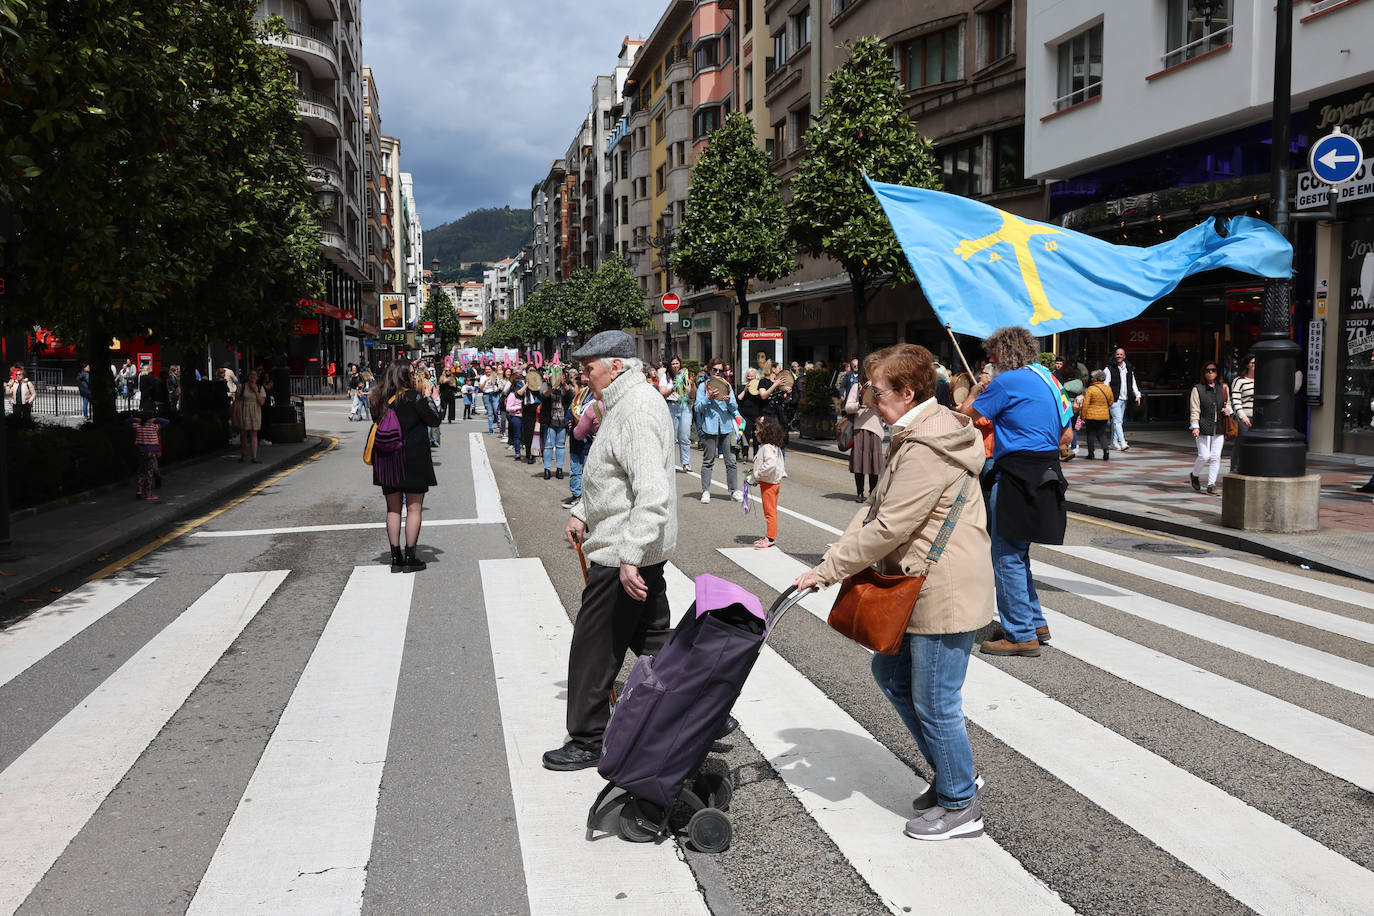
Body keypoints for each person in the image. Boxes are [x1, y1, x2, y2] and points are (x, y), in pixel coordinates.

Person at [791, 343, 993, 841]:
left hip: (941, 585)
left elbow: (889, 527)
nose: (867, 400)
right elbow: (877, 507)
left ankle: (961, 803)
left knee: (935, 698)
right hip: (924, 578)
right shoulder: (916, 432)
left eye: (876, 392)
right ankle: (954, 775)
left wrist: (829, 569)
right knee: (892, 673)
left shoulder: (926, 447)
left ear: (907, 393)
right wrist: (839, 548)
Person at [545, 331, 677, 771]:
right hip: (635, 545)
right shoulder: (622, 403)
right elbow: (612, 474)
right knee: (654, 639)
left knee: (593, 648)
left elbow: (651, 491)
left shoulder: (636, 409)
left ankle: (587, 738)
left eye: (590, 368)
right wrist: (584, 509)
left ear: (616, 365)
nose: (585, 375)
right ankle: (693, 708)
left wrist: (629, 554)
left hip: (624, 549)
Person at [967, 326, 1069, 658]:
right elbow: (1068, 434)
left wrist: (975, 389)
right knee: (1018, 553)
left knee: (1006, 556)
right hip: (1048, 470)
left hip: (1016, 474)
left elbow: (966, 417)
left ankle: (1020, 634)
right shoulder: (1050, 379)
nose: (989, 362)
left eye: (992, 356)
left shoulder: (1005, 382)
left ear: (1003, 355)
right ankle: (1034, 622)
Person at [369, 357, 442, 573]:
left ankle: (395, 557)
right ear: (404, 376)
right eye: (412, 372)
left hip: (387, 458)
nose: (415, 375)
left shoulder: (378, 398)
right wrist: (428, 397)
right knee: (413, 508)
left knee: (392, 509)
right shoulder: (415, 398)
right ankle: (410, 557)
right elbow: (435, 421)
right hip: (413, 458)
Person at [694, 358, 741, 504]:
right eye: (715, 370)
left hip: (726, 426)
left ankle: (733, 490)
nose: (718, 373)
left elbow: (734, 407)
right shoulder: (703, 386)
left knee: (731, 461)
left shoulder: (727, 385)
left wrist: (729, 401)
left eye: (721, 370)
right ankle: (706, 491)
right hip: (710, 427)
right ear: (710, 370)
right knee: (708, 461)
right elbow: (697, 408)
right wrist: (708, 398)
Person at [1189, 361, 1231, 495]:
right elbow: (1194, 409)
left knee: (1215, 457)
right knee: (1204, 455)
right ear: (1204, 373)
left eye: (1213, 370)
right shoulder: (1198, 389)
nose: (1211, 372)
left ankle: (1211, 484)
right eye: (1208, 370)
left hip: (1219, 426)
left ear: (1217, 372)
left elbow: (1228, 403)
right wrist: (1195, 426)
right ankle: (1194, 474)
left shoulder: (1223, 387)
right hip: (1203, 426)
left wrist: (1228, 409)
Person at [844, 370, 884, 502]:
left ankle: (872, 494)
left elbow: (888, 406)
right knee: (859, 464)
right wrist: (858, 405)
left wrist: (877, 404)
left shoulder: (882, 387)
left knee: (874, 466)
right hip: (860, 429)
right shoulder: (857, 386)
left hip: (876, 430)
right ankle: (859, 493)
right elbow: (848, 407)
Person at [565, 369, 602, 509]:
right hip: (575, 440)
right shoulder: (579, 398)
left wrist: (581, 424)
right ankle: (576, 494)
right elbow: (570, 412)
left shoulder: (597, 398)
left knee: (587, 471)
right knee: (575, 469)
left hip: (588, 441)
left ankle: (586, 499)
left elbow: (596, 420)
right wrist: (569, 422)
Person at [751, 416, 787, 549]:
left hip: (768, 484)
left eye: (757, 430)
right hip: (773, 482)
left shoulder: (766, 448)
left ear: (764, 433)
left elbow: (770, 464)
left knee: (769, 511)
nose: (755, 432)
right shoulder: (774, 446)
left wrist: (758, 473)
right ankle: (770, 536)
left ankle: (770, 537)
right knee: (771, 510)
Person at [126, 409, 171, 500]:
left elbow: (127, 422)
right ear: (151, 418)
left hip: (141, 452)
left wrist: (136, 419)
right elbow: (167, 421)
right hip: (151, 452)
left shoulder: (137, 426)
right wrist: (155, 419)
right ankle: (148, 493)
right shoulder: (154, 426)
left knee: (140, 471)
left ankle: (139, 490)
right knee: (149, 473)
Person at [1103, 346, 1142, 451]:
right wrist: (1107, 398)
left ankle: (1113, 443)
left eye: (1121, 354)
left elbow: (1133, 383)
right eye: (1117, 354)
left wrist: (1137, 395)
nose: (1119, 356)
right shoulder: (1109, 369)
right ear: (1115, 356)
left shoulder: (1129, 369)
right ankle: (1123, 442)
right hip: (1114, 399)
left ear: (1124, 356)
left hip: (1124, 399)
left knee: (1117, 421)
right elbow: (1105, 385)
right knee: (1118, 421)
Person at [660, 355, 692, 472]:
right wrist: (674, 386)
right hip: (671, 406)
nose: (675, 366)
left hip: (684, 406)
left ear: (680, 364)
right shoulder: (666, 377)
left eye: (677, 363)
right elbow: (662, 392)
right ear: (670, 365)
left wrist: (691, 384)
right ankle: (670, 463)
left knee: (684, 437)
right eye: (673, 364)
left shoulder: (686, 375)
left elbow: (692, 393)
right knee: (671, 438)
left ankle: (686, 462)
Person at [541, 367, 573, 480]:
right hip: (550, 421)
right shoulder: (546, 385)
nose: (558, 377)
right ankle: (547, 469)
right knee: (548, 446)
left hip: (562, 420)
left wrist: (564, 384)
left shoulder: (565, 387)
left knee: (561, 445)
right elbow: (543, 395)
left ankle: (559, 469)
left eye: (561, 375)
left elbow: (571, 396)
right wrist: (552, 388)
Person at [233, 368, 267, 463]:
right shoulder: (242, 387)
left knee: (254, 433)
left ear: (257, 377)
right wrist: (234, 417)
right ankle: (243, 453)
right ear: (248, 376)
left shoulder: (260, 388)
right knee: (243, 433)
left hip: (255, 411)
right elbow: (236, 402)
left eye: (254, 375)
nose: (253, 377)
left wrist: (256, 391)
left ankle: (254, 457)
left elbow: (262, 402)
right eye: (251, 375)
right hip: (244, 410)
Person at [1079, 370, 1114, 460]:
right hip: (1104, 415)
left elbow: (1085, 404)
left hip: (1091, 416)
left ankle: (1091, 454)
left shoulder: (1091, 389)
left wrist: (1083, 415)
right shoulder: (1108, 388)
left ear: (1095, 378)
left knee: (1090, 434)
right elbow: (1111, 402)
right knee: (1102, 434)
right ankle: (1106, 450)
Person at [1229, 354, 1254, 473]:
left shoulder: (1263, 380)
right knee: (1242, 442)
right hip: (1244, 417)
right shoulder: (1239, 381)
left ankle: (1250, 468)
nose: (1255, 366)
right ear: (1247, 365)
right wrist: (1242, 416)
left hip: (1258, 417)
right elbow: (1235, 400)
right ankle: (1235, 469)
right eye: (1253, 363)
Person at [736, 368, 765, 459]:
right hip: (745, 414)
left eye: (752, 376)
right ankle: (745, 454)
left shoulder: (759, 388)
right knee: (746, 435)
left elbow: (762, 400)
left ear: (755, 377)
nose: (750, 378)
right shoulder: (742, 387)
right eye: (748, 376)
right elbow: (739, 399)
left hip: (756, 414)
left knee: (756, 436)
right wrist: (745, 390)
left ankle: (756, 455)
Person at [481, 367, 502, 434]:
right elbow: (481, 388)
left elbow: (499, 386)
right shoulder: (483, 377)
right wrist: (485, 381)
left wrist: (495, 381)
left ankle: (500, 428)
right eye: (486, 369)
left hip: (494, 395)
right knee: (490, 413)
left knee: (497, 411)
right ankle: (491, 429)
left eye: (489, 369)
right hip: (486, 395)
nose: (488, 371)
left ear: (491, 370)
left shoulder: (495, 376)